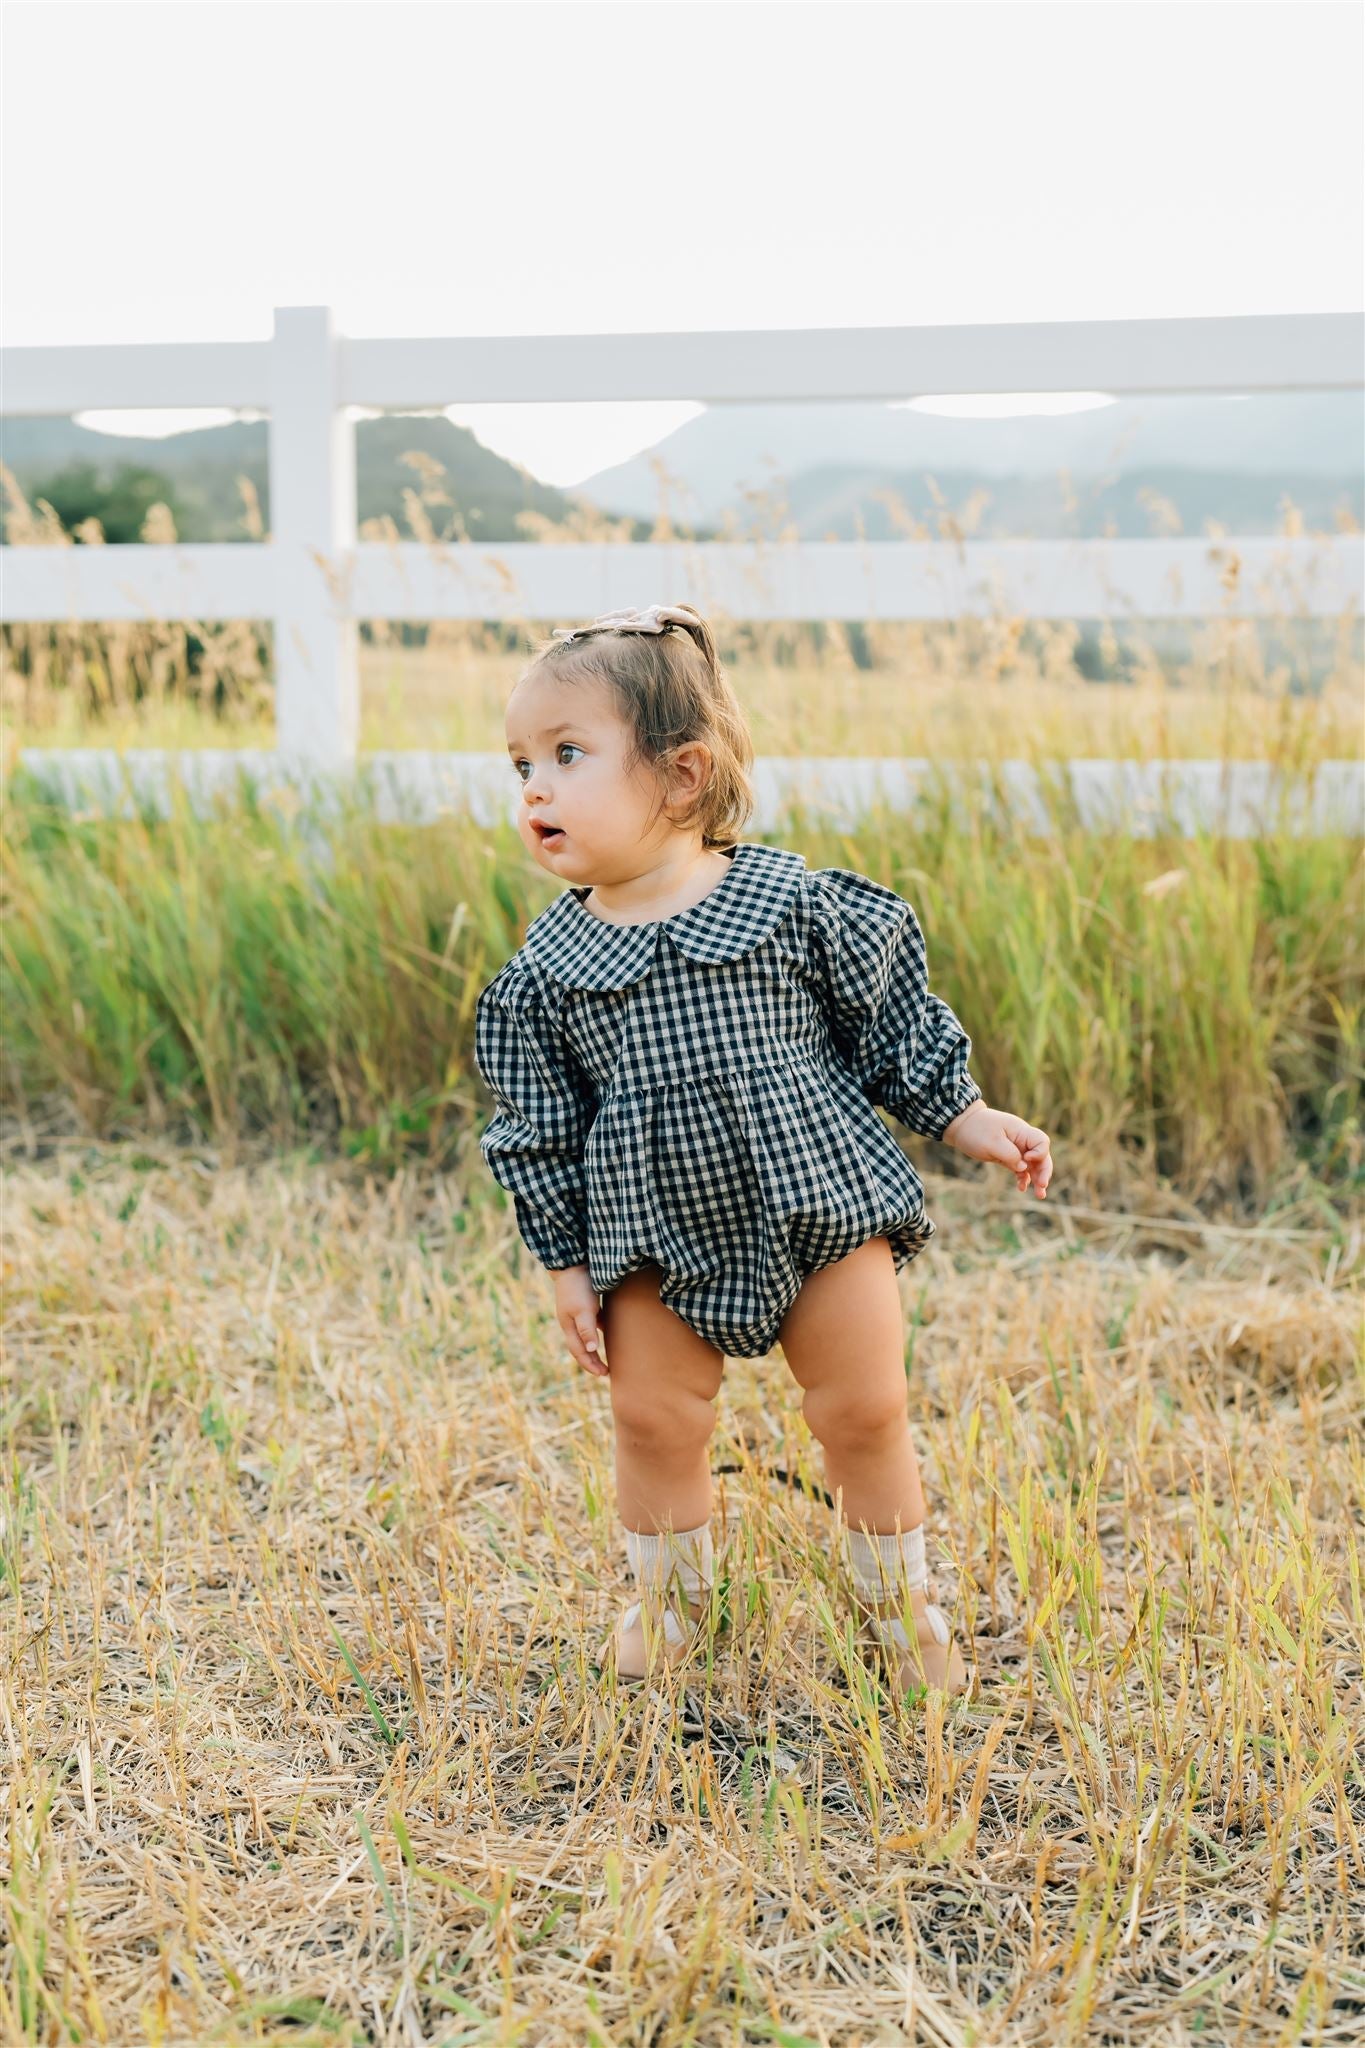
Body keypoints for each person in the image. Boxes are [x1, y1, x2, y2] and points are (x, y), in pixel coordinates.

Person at [473, 603, 1053, 1698]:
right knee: (651, 1417)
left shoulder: (792, 907)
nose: (533, 789)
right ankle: (672, 1603)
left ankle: (899, 1606)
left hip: (820, 1208)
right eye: (519, 766)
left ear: (682, 774)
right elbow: (538, 1128)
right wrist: (563, 1263)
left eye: (565, 754)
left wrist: (966, 1115)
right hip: (655, 1233)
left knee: (863, 1407)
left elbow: (890, 1023)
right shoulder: (547, 975)